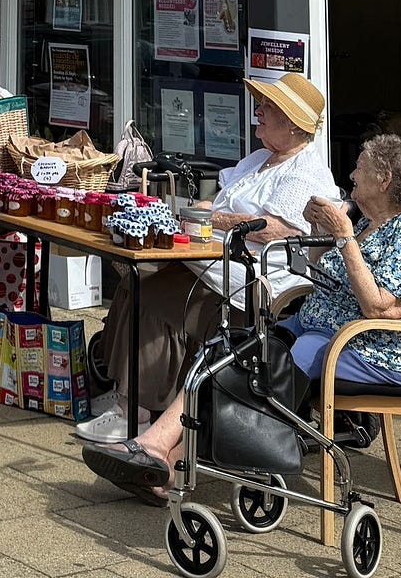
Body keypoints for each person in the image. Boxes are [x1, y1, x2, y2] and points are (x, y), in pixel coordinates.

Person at [84, 133, 401, 504]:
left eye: (361, 165)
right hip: (325, 331)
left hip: (376, 349)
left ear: (385, 178)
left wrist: (342, 237)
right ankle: (155, 446)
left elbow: (377, 307)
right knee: (229, 348)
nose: (353, 172)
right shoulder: (365, 225)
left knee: (263, 366)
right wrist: (320, 235)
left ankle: (174, 462)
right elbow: (324, 277)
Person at [78, 72, 338, 441]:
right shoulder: (261, 159)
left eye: (268, 107)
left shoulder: (306, 171)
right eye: (261, 104)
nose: (258, 111)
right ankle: (125, 392)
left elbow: (273, 228)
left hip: (252, 281)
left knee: (153, 293)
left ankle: (135, 410)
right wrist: (185, 211)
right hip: (213, 260)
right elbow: (214, 203)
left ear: (294, 124)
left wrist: (208, 217)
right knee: (136, 276)